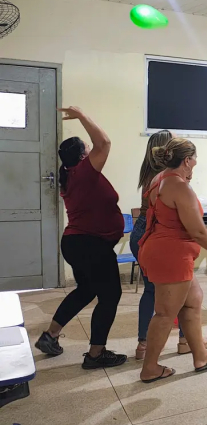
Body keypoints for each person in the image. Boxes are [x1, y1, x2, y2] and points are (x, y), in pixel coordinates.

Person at [34, 106, 128, 369]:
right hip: (91, 245)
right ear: (83, 156)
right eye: (87, 150)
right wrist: (82, 115)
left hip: (77, 243)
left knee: (87, 290)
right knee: (110, 296)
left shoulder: (72, 175)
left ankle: (50, 336)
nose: (92, 152)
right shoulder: (84, 173)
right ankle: (96, 354)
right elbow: (105, 142)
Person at [137, 138, 207, 383]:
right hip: (171, 255)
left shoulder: (159, 178)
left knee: (193, 301)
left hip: (163, 249)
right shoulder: (178, 187)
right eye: (194, 158)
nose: (196, 162)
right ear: (187, 160)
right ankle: (149, 367)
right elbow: (199, 231)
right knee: (164, 313)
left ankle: (200, 355)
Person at [132, 130, 205, 360]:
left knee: (164, 292)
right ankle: (183, 342)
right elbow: (189, 223)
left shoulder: (151, 175)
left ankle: (145, 345)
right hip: (159, 237)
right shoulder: (168, 178)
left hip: (144, 233)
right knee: (177, 297)